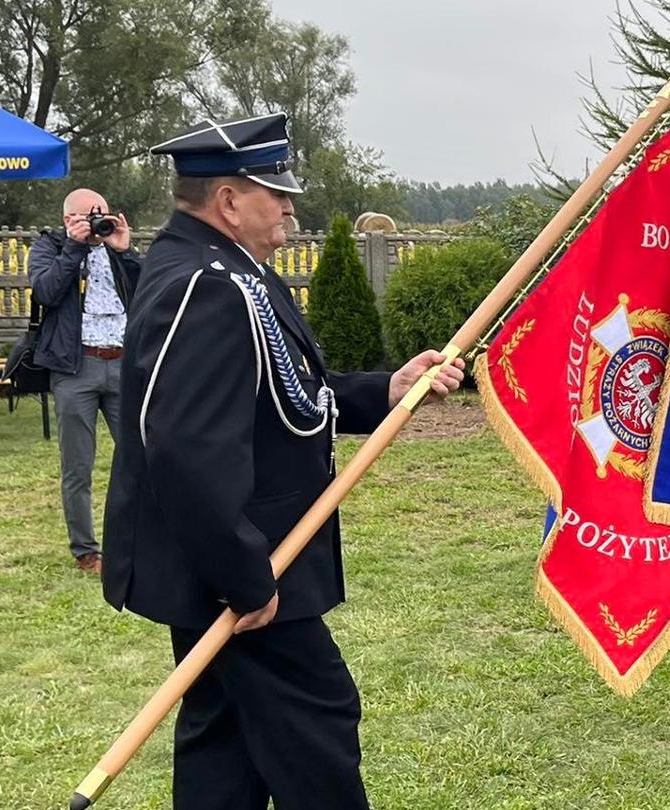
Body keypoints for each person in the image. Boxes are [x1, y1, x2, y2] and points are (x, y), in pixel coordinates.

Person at [102, 113, 466, 810]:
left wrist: (384, 391)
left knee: (226, 748)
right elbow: (185, 451)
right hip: (248, 567)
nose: (291, 209)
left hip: (238, 560)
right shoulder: (207, 285)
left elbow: (283, 395)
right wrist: (245, 579)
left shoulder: (220, 269)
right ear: (229, 201)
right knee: (316, 727)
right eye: (277, 193)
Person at [28, 188, 142, 574]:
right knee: (78, 465)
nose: (98, 221)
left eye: (102, 213)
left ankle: (141, 540)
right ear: (68, 220)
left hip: (122, 364)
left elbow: (150, 293)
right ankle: (86, 551)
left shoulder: (115, 248)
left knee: (140, 456)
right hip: (75, 368)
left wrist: (125, 252)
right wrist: (74, 248)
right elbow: (45, 292)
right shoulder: (49, 247)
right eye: (90, 215)